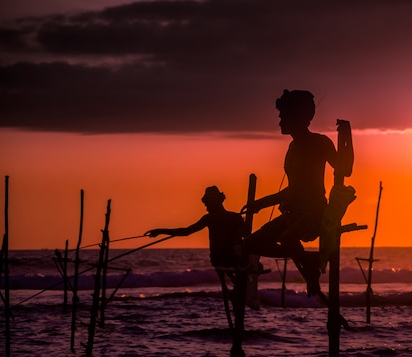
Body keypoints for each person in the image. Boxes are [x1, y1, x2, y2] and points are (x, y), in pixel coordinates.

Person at [244, 89, 350, 296]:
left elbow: (345, 169)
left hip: (312, 213)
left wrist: (347, 135)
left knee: (288, 238)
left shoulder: (320, 143)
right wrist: (260, 204)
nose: (280, 121)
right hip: (291, 213)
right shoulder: (293, 147)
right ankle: (308, 260)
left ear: (299, 117)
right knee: (251, 244)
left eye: (284, 116)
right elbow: (292, 189)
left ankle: (306, 262)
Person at [145, 185, 245, 268]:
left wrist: (159, 231)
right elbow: (246, 235)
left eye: (207, 205)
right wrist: (160, 231)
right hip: (236, 258)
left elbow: (186, 231)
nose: (206, 208)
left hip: (220, 259)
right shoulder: (235, 217)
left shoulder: (210, 218)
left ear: (214, 203)